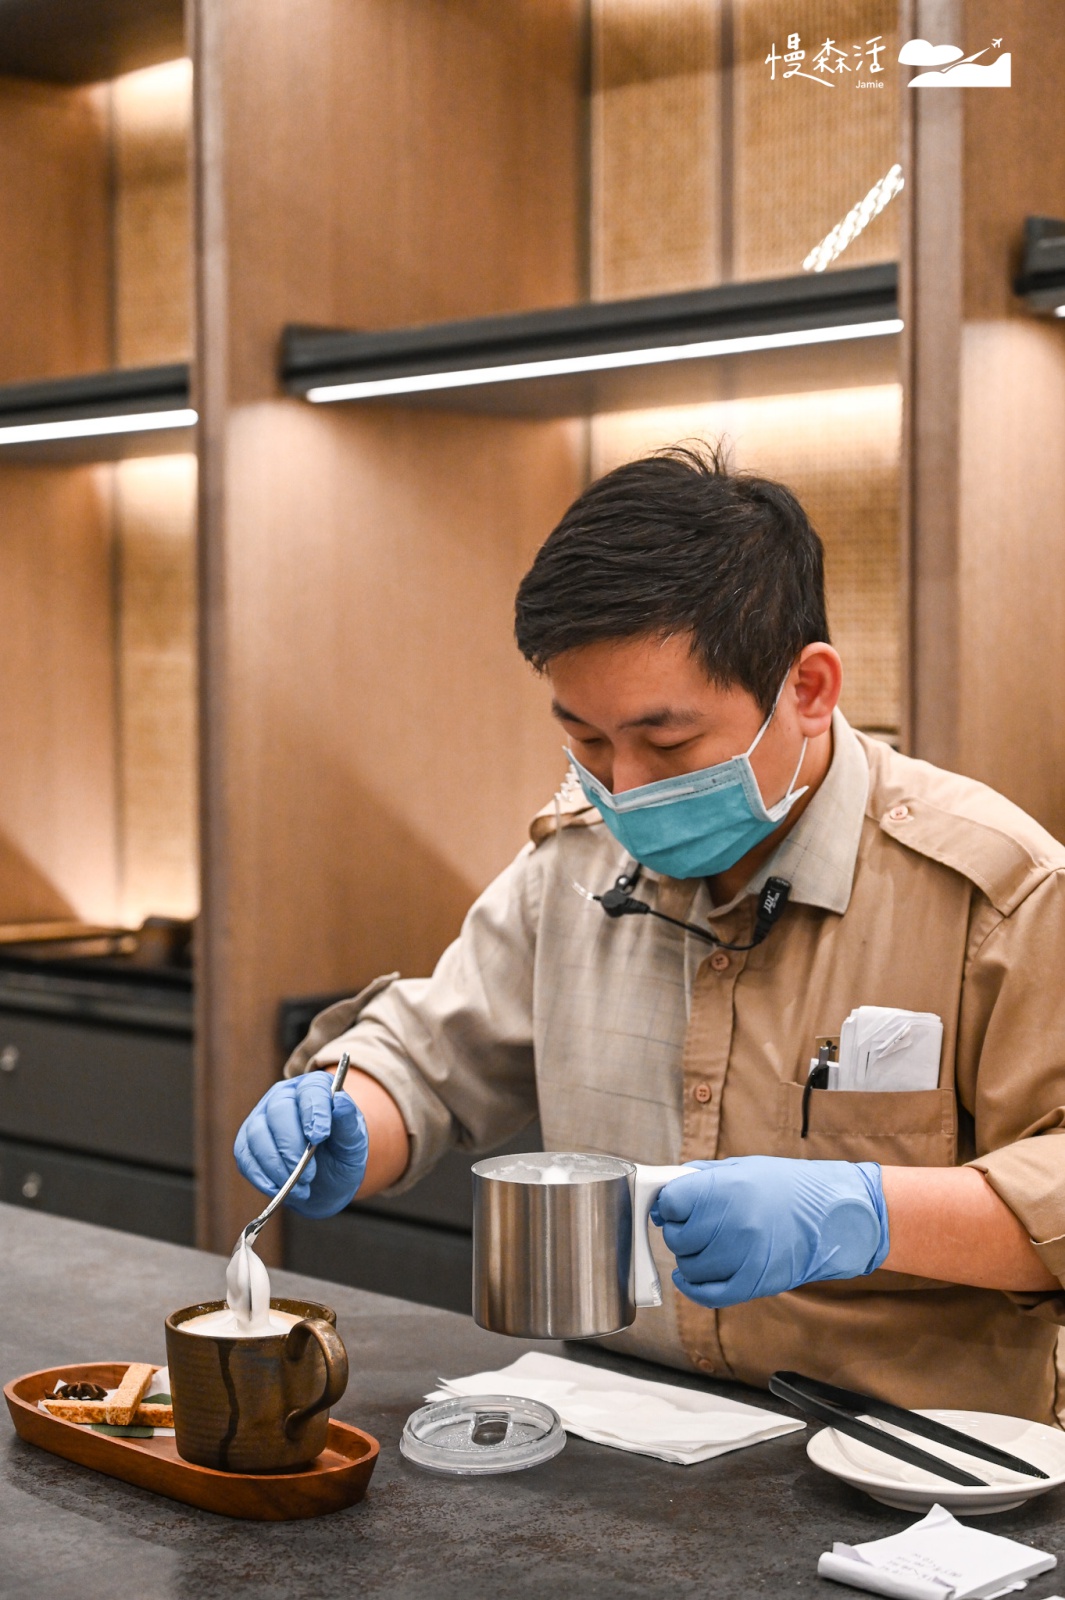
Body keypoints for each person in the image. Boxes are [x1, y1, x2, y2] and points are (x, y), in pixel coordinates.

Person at [235, 444, 1065, 1423]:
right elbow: (431, 1058)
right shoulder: (576, 864)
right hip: (623, 1432)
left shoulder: (995, 889)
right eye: (587, 739)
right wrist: (346, 1114)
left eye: (667, 744)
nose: (622, 788)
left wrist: (868, 1213)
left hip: (904, 1466)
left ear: (808, 689)